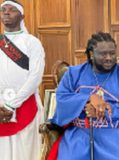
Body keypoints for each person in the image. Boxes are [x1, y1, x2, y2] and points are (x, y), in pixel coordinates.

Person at [50, 32, 119, 160]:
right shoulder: (73, 74)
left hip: (116, 132)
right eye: (103, 54)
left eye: (112, 53)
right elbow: (61, 99)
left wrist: (105, 110)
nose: (109, 58)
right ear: (91, 54)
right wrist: (88, 98)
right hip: (80, 133)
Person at [0, 0, 45, 160]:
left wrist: (12, 104)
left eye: (12, 10)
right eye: (3, 9)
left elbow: (35, 77)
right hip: (0, 107)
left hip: (25, 105)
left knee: (26, 153)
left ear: (22, 16)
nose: (6, 12)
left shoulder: (32, 42)